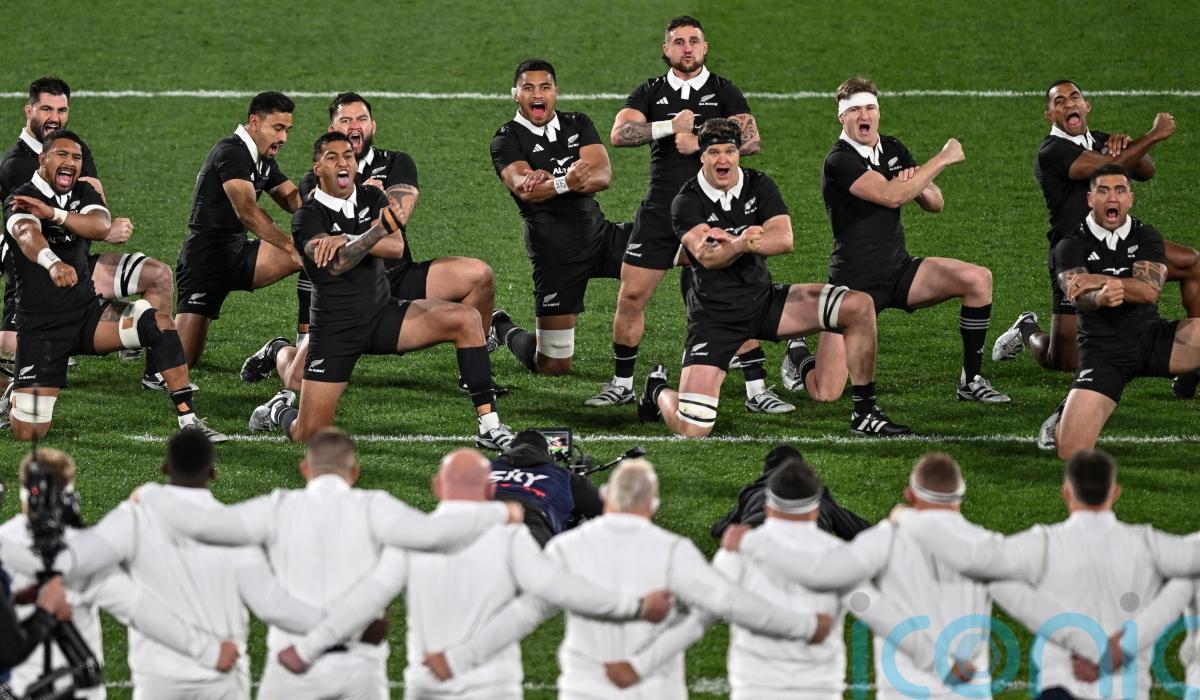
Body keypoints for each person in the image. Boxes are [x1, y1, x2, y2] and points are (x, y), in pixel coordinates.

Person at [136, 432, 524, 700]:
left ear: (305, 469)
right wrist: (500, 513)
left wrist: (153, 495)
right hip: (360, 667)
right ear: (354, 472)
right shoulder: (374, 507)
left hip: (289, 670)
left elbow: (204, 525)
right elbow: (435, 535)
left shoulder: (278, 507)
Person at [271, 445, 672, 700]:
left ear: (437, 487)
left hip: (427, 683)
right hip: (492, 685)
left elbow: (365, 599)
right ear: (489, 489)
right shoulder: (513, 538)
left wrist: (307, 648)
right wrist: (636, 605)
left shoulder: (413, 538)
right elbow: (553, 594)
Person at [422, 458, 833, 700]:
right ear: (653, 505)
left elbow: (523, 614)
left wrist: (458, 658)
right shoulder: (674, 551)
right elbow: (725, 604)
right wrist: (802, 625)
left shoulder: (567, 548)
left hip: (585, 689)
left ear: (605, 497)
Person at [724, 452, 1105, 700]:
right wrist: (1088, 647)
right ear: (959, 497)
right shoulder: (983, 546)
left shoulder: (885, 540)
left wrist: (750, 543)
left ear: (910, 494)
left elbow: (824, 574)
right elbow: (1029, 605)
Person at [638, 119, 910, 437]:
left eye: (730, 151)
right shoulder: (686, 200)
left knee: (859, 305)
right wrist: (743, 242)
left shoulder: (759, 184)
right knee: (694, 427)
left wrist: (734, 242)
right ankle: (657, 389)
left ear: (739, 153)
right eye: (714, 152)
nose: (723, 159)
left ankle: (865, 412)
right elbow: (707, 256)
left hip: (764, 302)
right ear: (702, 156)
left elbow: (783, 239)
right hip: (715, 320)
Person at [245, 133, 513, 448]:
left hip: (382, 315)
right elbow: (338, 263)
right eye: (332, 157)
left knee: (467, 319)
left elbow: (395, 246)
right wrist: (372, 233)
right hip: (336, 332)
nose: (343, 162)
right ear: (317, 168)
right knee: (310, 435)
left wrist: (348, 238)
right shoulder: (308, 216)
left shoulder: (371, 196)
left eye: (348, 156)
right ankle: (279, 411)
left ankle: (489, 427)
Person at [893, 449, 1200, 700]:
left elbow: (975, 559)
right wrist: (1120, 648)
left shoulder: (1043, 544)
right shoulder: (1149, 545)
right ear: (1115, 492)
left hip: (1060, 686)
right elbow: (1186, 576)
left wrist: (910, 519)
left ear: (1066, 493)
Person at [602, 15, 792, 415]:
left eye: (694, 41)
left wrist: (701, 139)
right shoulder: (650, 91)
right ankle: (621, 385)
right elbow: (619, 134)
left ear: (705, 48)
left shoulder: (723, 90)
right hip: (659, 211)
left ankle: (757, 389)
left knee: (732, 296)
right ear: (666, 49)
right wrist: (670, 127)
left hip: (714, 211)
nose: (687, 48)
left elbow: (751, 140)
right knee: (631, 295)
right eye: (678, 42)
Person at [781, 76, 1008, 406]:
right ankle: (797, 352)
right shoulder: (839, 161)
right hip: (854, 284)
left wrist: (915, 181)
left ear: (878, 112)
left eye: (870, 108)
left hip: (899, 272)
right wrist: (942, 158)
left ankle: (970, 380)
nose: (864, 116)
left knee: (978, 279)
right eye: (855, 110)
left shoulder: (892, 147)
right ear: (841, 117)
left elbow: (935, 203)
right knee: (825, 392)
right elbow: (890, 196)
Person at [2, 129, 223, 441]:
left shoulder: (82, 192)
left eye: (76, 157)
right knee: (29, 433)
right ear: (42, 159)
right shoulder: (22, 197)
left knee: (159, 323)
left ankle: (189, 421)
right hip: (42, 329)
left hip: (87, 315)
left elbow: (99, 226)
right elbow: (27, 234)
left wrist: (53, 213)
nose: (70, 162)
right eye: (62, 155)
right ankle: (13, 395)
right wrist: (52, 263)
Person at [991, 81, 1198, 394]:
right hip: (1077, 256)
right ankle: (1026, 329)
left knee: (1193, 263)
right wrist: (1154, 134)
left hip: (1124, 244)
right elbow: (1106, 168)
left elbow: (1146, 171)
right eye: (1058, 101)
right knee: (1064, 359)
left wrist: (1128, 144)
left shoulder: (1101, 140)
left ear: (1087, 106)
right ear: (1049, 115)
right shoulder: (1051, 151)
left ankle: (1193, 365)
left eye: (1074, 97)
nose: (1068, 104)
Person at [0, 443, 252, 699]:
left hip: (17, 688)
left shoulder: (5, 542)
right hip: (80, 690)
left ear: (24, 492)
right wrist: (209, 651)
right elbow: (139, 609)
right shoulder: (86, 552)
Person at [0, 76, 177, 391]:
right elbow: (38, 229)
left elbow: (95, 199)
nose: (55, 118)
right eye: (46, 109)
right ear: (29, 111)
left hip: (78, 263)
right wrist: (97, 228)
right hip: (36, 279)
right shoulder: (16, 165)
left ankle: (156, 371)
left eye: (62, 110)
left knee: (158, 275)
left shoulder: (72, 147)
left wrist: (98, 224)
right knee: (20, 365)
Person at [486, 59, 632, 385]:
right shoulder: (505, 140)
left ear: (556, 91)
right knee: (553, 365)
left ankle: (729, 343)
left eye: (545, 87)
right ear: (515, 95)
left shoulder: (577, 123)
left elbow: (603, 175)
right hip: (555, 255)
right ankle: (501, 326)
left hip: (601, 236)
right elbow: (526, 190)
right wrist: (567, 180)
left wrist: (552, 182)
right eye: (528, 88)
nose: (537, 94)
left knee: (683, 250)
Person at [1048, 165, 1200, 459]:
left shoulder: (1147, 236)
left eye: (1120, 190)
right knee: (1069, 450)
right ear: (1090, 199)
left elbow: (1149, 290)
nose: (1112, 198)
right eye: (1103, 191)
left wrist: (1100, 279)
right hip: (1103, 354)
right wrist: (1099, 297)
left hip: (1153, 339)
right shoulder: (1069, 244)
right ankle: (1066, 413)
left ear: (1130, 198)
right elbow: (1078, 295)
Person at [174, 91, 303, 368]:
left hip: (238, 253)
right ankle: (141, 327)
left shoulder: (261, 155)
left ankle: (301, 348)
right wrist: (288, 246)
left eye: (287, 130)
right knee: (181, 361)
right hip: (205, 261)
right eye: (277, 128)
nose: (283, 137)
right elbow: (246, 211)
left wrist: (323, 207)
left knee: (314, 253)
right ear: (255, 122)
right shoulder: (231, 152)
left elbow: (290, 196)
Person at [709, 444, 870, 542]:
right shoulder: (814, 493)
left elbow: (719, 529)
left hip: (758, 540)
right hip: (809, 547)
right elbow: (856, 529)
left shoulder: (753, 491)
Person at [489, 429, 603, 546]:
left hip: (488, 511)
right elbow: (605, 510)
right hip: (533, 523)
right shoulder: (564, 476)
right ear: (546, 453)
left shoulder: (486, 468)